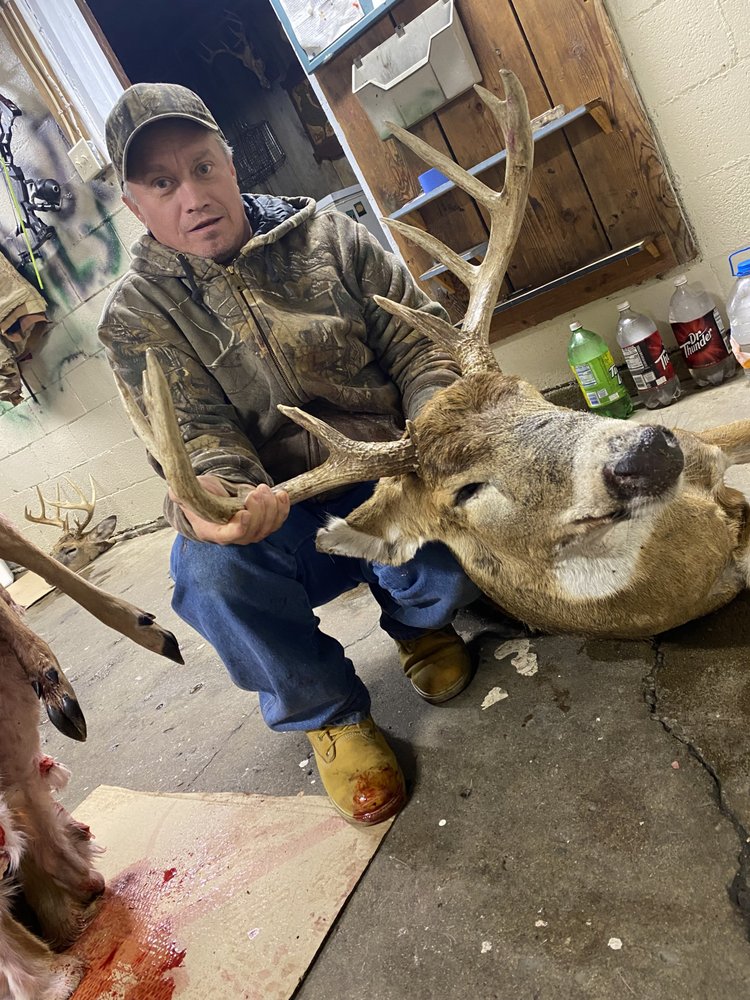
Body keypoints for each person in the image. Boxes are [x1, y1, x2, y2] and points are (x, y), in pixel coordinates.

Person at [99, 83, 482, 826]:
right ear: (134, 204)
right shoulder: (135, 316)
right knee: (206, 572)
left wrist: (436, 421)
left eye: (203, 167)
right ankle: (330, 715)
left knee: (469, 497)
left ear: (230, 162)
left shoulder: (331, 238)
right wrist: (224, 500)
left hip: (384, 474)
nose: (193, 197)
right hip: (282, 518)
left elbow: (418, 343)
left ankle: (423, 624)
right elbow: (194, 435)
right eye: (162, 184)